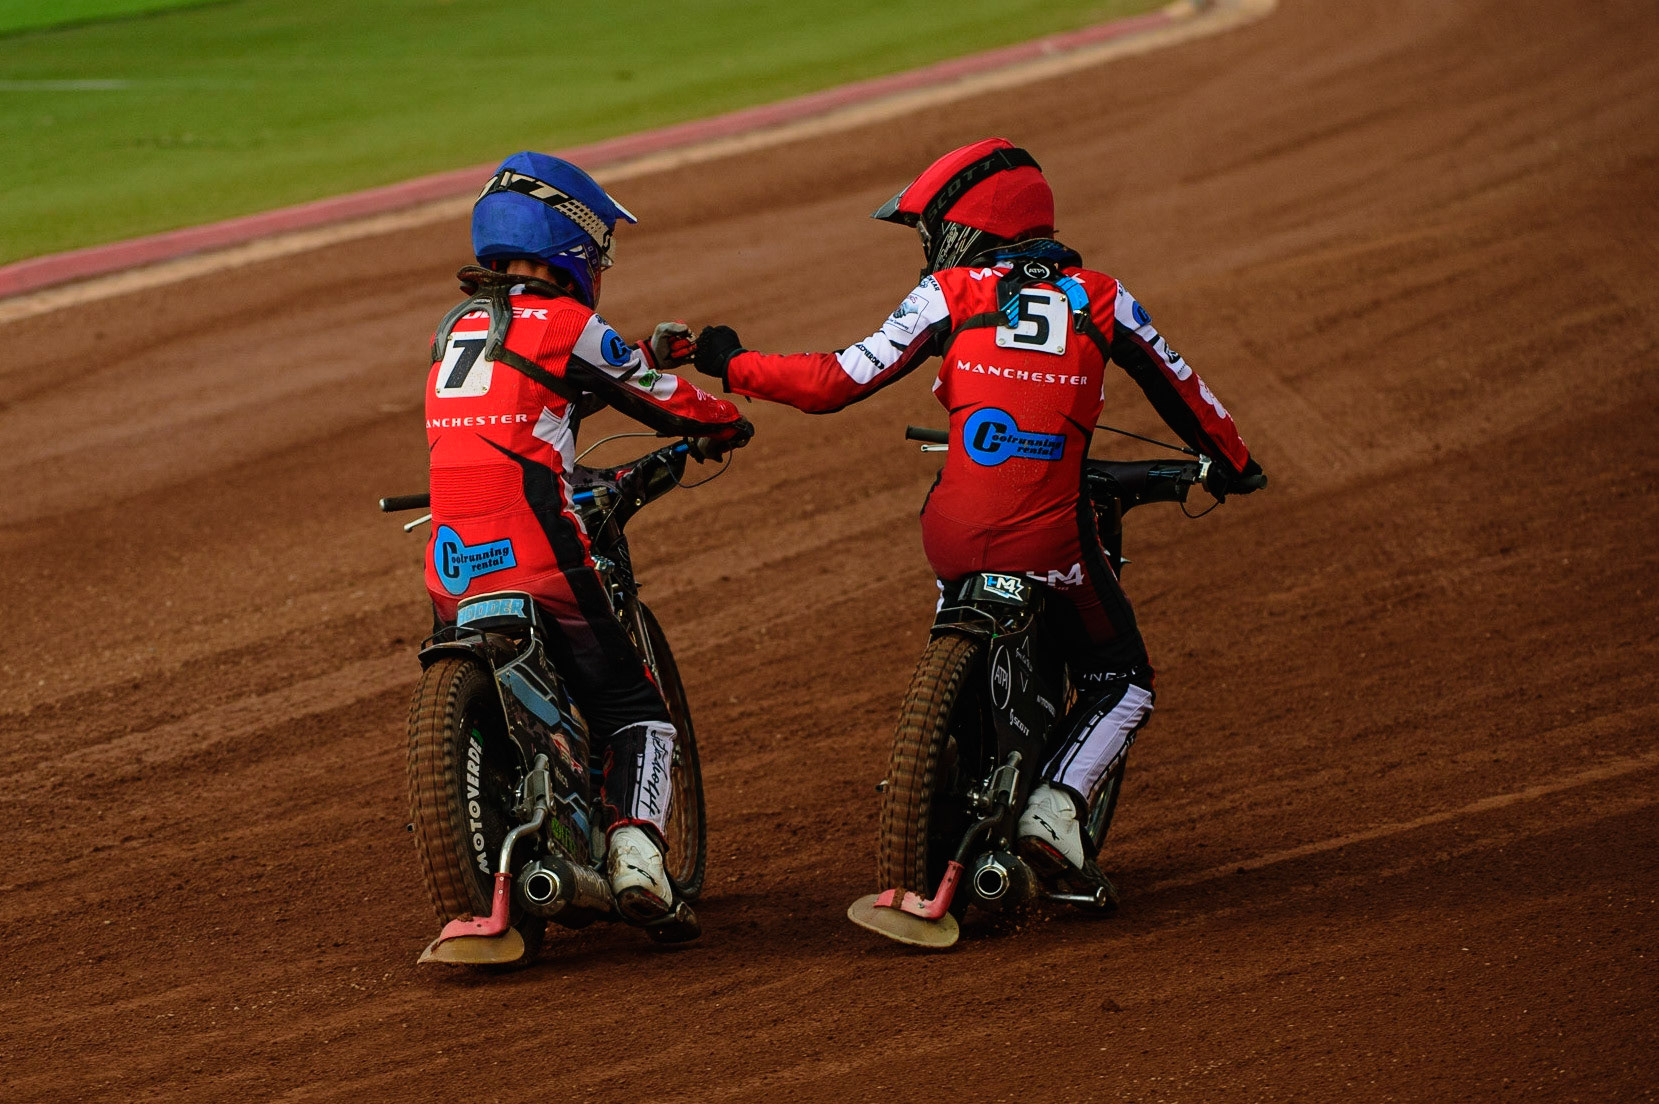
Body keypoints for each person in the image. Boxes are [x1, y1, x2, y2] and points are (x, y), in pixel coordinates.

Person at [693, 138, 1263, 891]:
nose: (931, 246)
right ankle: (1054, 807)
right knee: (1123, 678)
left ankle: (942, 754)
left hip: (952, 532)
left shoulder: (950, 294)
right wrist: (1235, 464)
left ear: (972, 225)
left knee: (958, 569)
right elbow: (1184, 390)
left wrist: (730, 360)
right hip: (1053, 537)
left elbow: (834, 381)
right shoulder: (1103, 297)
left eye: (935, 229)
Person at [424, 151, 750, 928]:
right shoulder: (564, 321)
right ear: (570, 243)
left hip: (449, 561)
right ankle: (637, 859)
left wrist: (640, 351)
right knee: (634, 707)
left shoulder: (455, 329)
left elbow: (542, 399)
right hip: (536, 545)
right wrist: (723, 420)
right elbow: (657, 399)